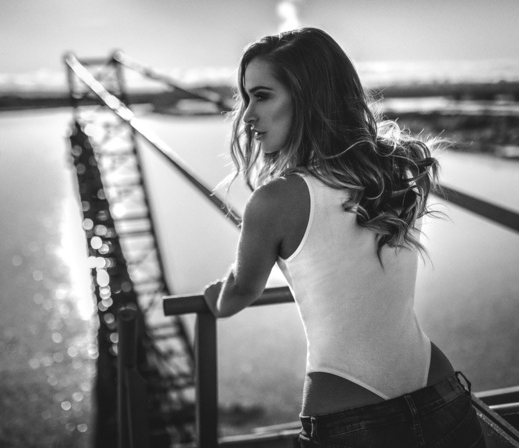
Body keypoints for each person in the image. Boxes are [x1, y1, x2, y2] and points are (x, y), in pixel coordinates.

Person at [203, 27, 485, 448]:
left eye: (262, 96)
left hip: (353, 423)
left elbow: (242, 289)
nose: (246, 115)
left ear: (308, 98)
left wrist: (215, 301)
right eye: (245, 98)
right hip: (440, 396)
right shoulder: (396, 174)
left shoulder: (274, 201)